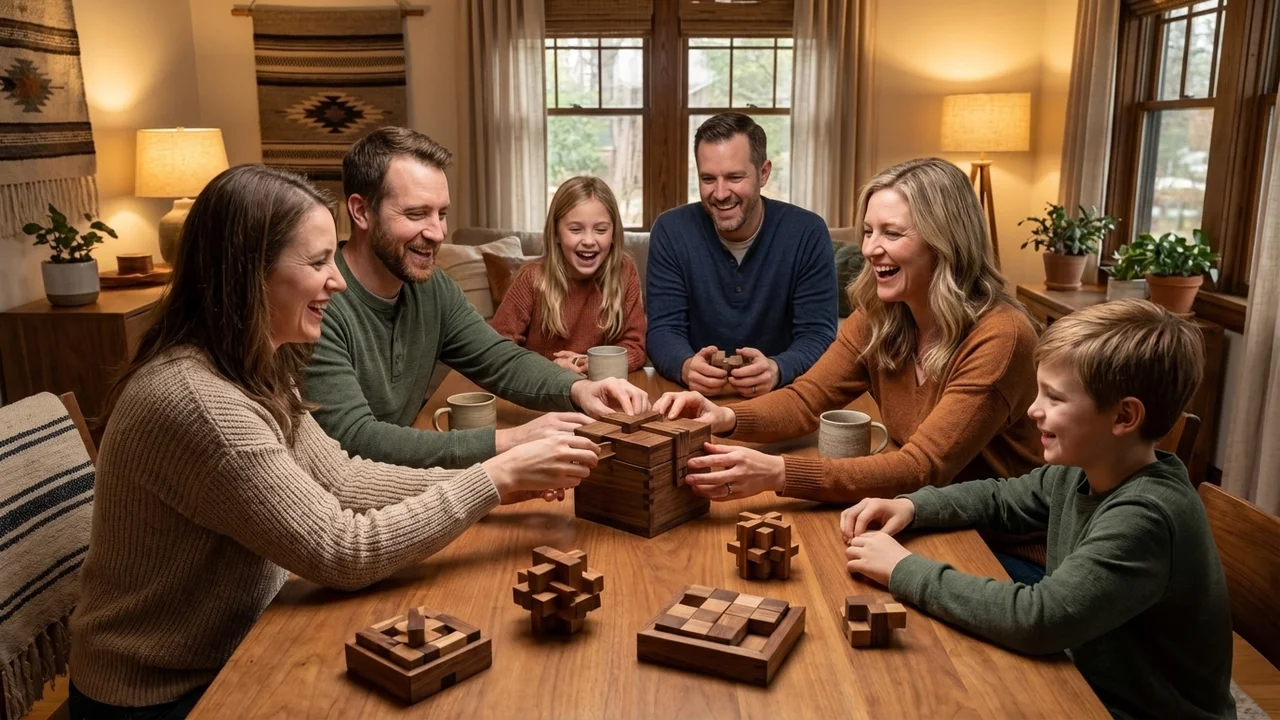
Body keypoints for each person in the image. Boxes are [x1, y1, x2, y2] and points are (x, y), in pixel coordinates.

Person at [68, 166, 599, 719]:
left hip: (243, 640)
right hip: (162, 694)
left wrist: (499, 486)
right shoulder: (201, 403)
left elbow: (344, 478)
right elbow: (342, 551)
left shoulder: (254, 366)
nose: (337, 280)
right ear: (250, 273)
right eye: (319, 262)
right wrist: (493, 479)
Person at [840, 299, 1235, 720]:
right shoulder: (1085, 468)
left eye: (1055, 397)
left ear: (1124, 416)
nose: (1033, 409)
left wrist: (904, 569)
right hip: (1082, 682)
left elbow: (1038, 619)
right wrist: (912, 506)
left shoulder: (1147, 517)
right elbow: (1002, 499)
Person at [655, 157, 1042, 503]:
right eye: (869, 231)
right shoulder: (881, 313)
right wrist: (723, 417)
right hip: (921, 514)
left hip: (995, 548)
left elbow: (922, 467)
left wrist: (778, 473)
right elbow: (807, 400)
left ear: (945, 242)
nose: (871, 248)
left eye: (892, 233)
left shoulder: (1001, 337)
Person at [304, 127, 649, 471]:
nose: (438, 233)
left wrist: (578, 390)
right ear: (361, 212)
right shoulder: (317, 303)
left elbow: (499, 358)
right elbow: (352, 439)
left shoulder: (431, 287)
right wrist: (512, 440)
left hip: (402, 479)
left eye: (441, 213)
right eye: (416, 214)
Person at [645, 112, 837, 397]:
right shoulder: (671, 230)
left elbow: (818, 334)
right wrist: (684, 365)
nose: (720, 193)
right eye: (708, 178)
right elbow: (662, 329)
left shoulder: (807, 232)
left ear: (763, 173)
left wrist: (778, 368)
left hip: (782, 397)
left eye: (735, 177)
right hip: (693, 398)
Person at [491, 176, 646, 373]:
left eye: (600, 230)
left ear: (614, 233)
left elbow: (636, 348)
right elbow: (497, 351)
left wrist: (592, 363)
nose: (589, 240)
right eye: (575, 229)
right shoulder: (532, 277)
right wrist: (550, 369)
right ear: (556, 233)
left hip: (603, 390)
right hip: (541, 393)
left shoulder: (624, 272)